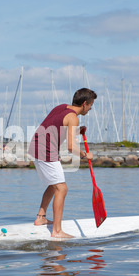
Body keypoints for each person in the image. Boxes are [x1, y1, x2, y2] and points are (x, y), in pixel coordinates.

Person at [28, 88, 97, 238]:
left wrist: (77, 131)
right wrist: (86, 155)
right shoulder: (73, 118)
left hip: (36, 147)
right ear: (85, 103)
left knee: (55, 184)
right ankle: (57, 231)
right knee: (62, 189)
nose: (91, 108)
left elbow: (57, 128)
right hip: (46, 150)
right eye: (91, 105)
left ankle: (41, 217)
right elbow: (71, 147)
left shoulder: (61, 107)